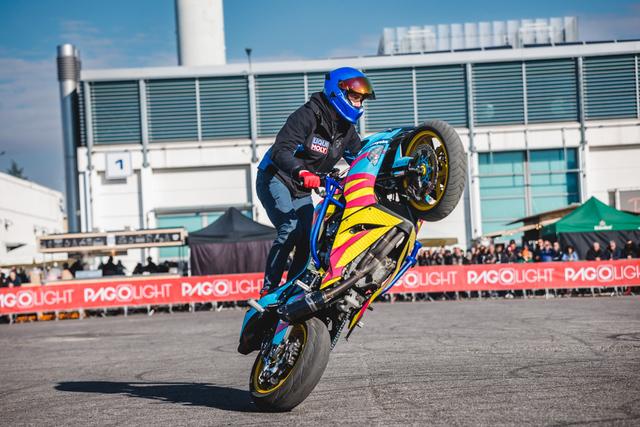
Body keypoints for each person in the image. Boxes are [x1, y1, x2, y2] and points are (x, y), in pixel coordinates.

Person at [256, 67, 375, 296]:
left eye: (361, 100)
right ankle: (269, 289)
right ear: (337, 92)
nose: (359, 104)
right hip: (276, 177)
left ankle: (291, 290)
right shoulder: (307, 115)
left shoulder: (347, 130)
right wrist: (301, 172)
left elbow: (360, 159)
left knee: (310, 239)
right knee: (290, 229)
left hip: (301, 190)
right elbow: (281, 150)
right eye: (355, 97)